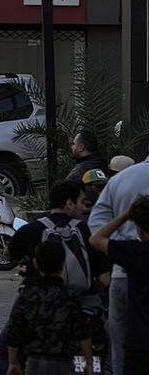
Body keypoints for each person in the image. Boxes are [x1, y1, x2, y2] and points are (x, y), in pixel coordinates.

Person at [3, 240, 99, 375]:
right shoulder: (69, 296)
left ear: (35, 263)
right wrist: (89, 363)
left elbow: (15, 331)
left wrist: (13, 362)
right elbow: (82, 332)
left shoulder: (27, 295)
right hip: (63, 363)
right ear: (63, 264)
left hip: (34, 362)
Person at [93, 160, 149, 375]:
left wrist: (122, 246)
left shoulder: (121, 179)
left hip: (123, 272)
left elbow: (96, 228)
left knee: (119, 345)